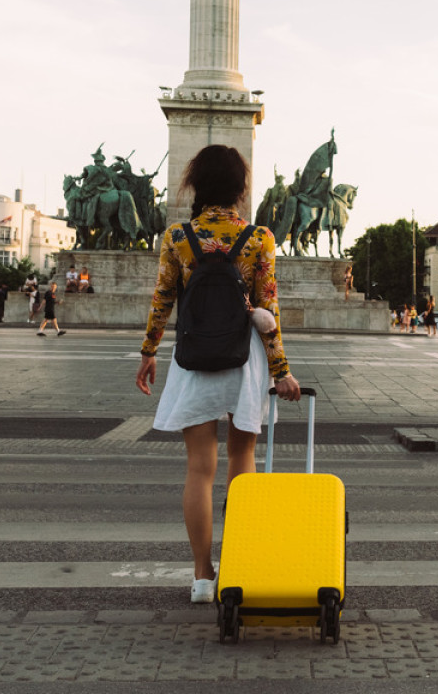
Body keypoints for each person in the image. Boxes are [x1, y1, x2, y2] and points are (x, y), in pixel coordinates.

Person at [135, 144, 302, 606]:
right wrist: (281, 370)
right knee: (242, 465)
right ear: (239, 188)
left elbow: (162, 301)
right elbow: (269, 310)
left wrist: (149, 352)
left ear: (196, 184)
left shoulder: (177, 237)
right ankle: (242, 563)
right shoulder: (258, 238)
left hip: (194, 359)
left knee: (199, 469)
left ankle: (203, 575)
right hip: (243, 360)